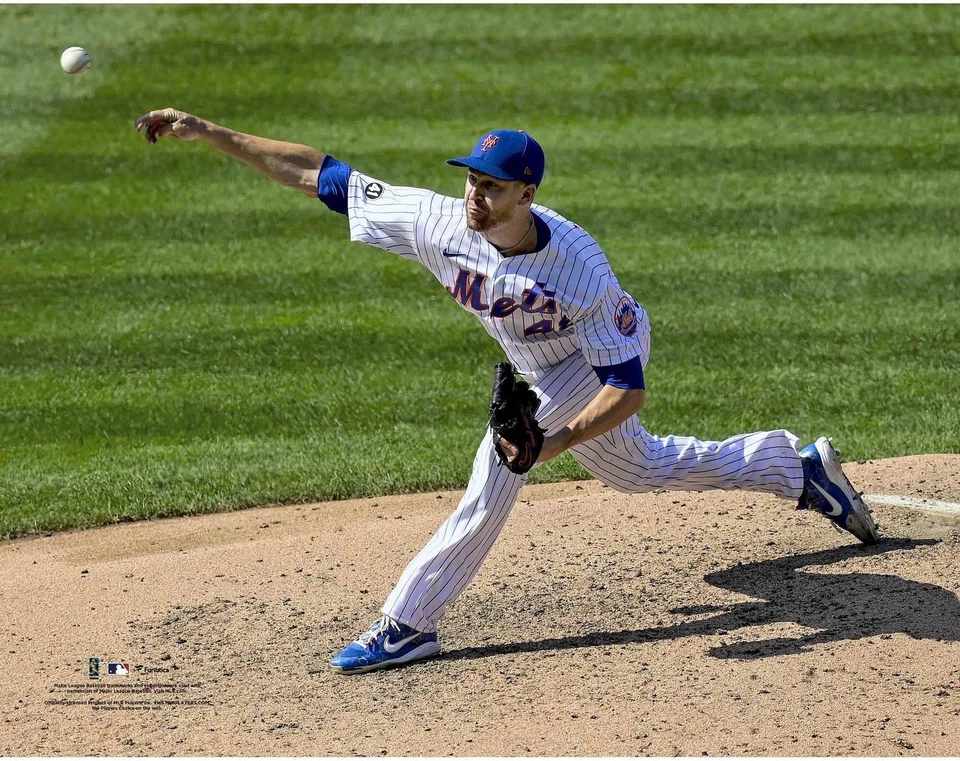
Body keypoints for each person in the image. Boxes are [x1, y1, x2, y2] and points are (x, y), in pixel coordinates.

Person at [135, 109, 880, 675]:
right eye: (471, 179)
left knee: (500, 465)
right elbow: (320, 175)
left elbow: (626, 389)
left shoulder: (583, 271)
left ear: (528, 192)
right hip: (541, 367)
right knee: (641, 470)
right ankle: (796, 466)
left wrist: (550, 443)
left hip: (600, 363)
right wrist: (209, 131)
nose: (475, 196)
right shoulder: (439, 221)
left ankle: (409, 621)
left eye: (491, 187)